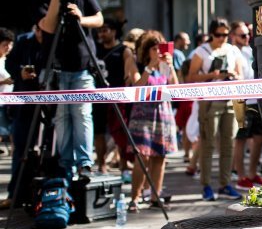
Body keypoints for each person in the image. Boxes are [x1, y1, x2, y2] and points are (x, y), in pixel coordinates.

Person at [36, 0, 104, 180]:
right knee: (63, 116)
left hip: (83, 65)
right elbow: (49, 26)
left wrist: (80, 18)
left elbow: (99, 19)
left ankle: (85, 163)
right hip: (56, 67)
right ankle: (66, 164)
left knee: (83, 114)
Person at [186, 17, 244, 201]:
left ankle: (225, 184)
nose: (222, 38)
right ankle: (206, 186)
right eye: (218, 35)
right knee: (208, 144)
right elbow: (190, 77)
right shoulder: (201, 51)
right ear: (211, 34)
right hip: (209, 102)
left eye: (226, 34)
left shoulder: (233, 50)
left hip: (230, 101)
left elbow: (241, 75)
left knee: (229, 144)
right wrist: (213, 75)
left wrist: (233, 75)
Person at [127, 31, 179, 212]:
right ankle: (135, 197)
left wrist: (170, 67)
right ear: (147, 50)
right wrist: (149, 67)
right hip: (142, 115)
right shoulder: (136, 63)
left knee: (160, 155)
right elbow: (137, 87)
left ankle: (155, 197)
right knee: (142, 156)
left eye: (161, 49)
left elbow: (176, 89)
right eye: (155, 49)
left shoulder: (164, 66)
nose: (158, 52)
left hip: (162, 112)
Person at [2, 26, 44, 208]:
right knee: (21, 148)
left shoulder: (58, 39)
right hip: (23, 104)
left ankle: (46, 192)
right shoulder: (25, 41)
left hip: (52, 101)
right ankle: (16, 194)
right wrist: (20, 73)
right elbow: (11, 65)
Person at [93, 18, 136, 175]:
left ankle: (123, 164)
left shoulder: (124, 50)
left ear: (114, 31)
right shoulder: (95, 49)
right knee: (98, 132)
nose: (101, 33)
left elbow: (128, 75)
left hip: (118, 97)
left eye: (105, 30)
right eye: (99, 30)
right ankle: (101, 165)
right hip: (98, 95)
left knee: (120, 132)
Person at [230, 20, 262, 190]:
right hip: (241, 101)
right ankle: (241, 176)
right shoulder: (233, 52)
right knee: (241, 139)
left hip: (257, 99)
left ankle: (252, 174)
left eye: (248, 34)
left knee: (259, 138)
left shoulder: (250, 50)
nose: (247, 37)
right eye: (243, 35)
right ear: (234, 36)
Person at [0, 29, 14, 154]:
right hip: (1, 100)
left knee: (11, 127)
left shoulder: (10, 60)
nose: (8, 47)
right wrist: (6, 81)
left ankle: (14, 150)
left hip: (10, 100)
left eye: (10, 44)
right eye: (5, 45)